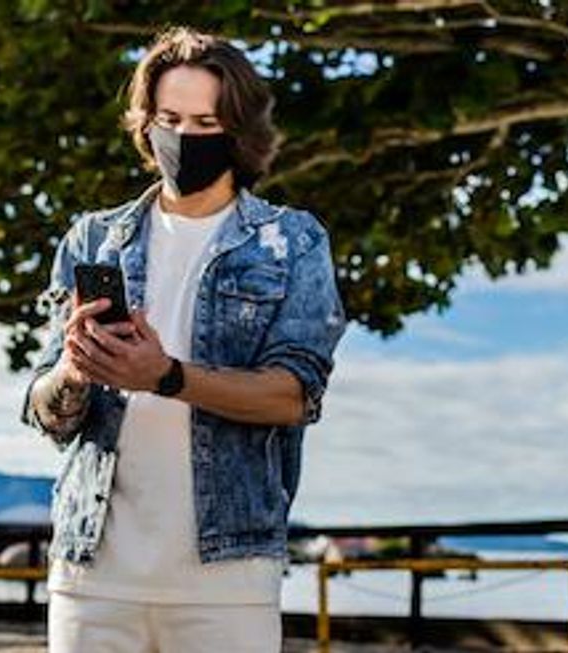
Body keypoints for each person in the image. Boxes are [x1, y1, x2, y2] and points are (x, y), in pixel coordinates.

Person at [20, 25, 347, 653]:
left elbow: (293, 396)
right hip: (91, 577)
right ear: (145, 123)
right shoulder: (93, 239)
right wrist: (74, 372)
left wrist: (165, 376)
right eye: (169, 119)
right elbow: (45, 412)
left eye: (205, 123)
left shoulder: (292, 241)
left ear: (239, 132)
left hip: (227, 581)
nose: (183, 137)